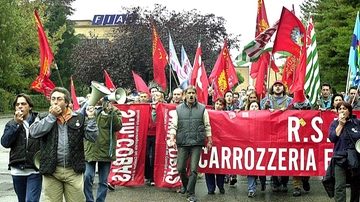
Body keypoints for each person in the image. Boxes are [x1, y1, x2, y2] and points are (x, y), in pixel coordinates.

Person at [29, 87, 99, 202]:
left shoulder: (78, 118)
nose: (55, 102)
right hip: (51, 171)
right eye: (53, 99)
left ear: (67, 102)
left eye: (59, 99)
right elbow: (34, 132)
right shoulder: (43, 117)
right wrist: (51, 117)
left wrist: (91, 118)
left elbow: (93, 137)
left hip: (73, 171)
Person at [169, 85, 212, 202]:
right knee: (180, 168)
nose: (191, 95)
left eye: (193, 93)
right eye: (189, 93)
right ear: (185, 95)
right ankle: (186, 185)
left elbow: (207, 126)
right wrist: (172, 139)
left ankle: (190, 193)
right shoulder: (178, 109)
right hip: (183, 142)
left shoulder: (203, 109)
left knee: (193, 169)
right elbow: (173, 126)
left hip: (197, 143)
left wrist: (210, 141)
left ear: (196, 95)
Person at [1, 94, 42, 202]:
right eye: (17, 104)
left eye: (23, 104)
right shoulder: (11, 124)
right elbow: (5, 143)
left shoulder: (39, 122)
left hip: (34, 170)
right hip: (17, 170)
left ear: (30, 106)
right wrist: (16, 124)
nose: (20, 106)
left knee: (31, 200)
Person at [84, 99, 122, 202]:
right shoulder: (85, 108)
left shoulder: (114, 110)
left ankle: (100, 200)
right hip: (89, 148)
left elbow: (117, 126)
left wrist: (111, 112)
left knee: (103, 181)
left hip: (105, 149)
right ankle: (89, 200)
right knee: (87, 176)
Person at [260, 80, 292, 192]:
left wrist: (287, 110)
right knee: (273, 158)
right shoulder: (266, 100)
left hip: (286, 133)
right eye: (276, 86)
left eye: (280, 86)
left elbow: (296, 113)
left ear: (283, 88)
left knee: (285, 158)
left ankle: (284, 182)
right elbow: (259, 115)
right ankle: (275, 182)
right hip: (271, 134)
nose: (278, 88)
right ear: (272, 88)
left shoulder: (290, 101)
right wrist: (266, 108)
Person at [329, 101, 360, 202]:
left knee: (355, 186)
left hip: (355, 159)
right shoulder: (334, 124)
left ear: (349, 111)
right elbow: (332, 138)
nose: (342, 111)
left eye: (344, 108)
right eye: (340, 109)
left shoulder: (357, 122)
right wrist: (340, 125)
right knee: (339, 186)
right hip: (340, 158)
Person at [289, 96, 312, 197]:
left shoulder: (309, 108)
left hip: (308, 140)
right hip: (294, 141)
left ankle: (306, 179)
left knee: (307, 163)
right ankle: (297, 186)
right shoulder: (291, 108)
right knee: (296, 163)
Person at [205, 97, 226, 195]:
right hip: (210, 142)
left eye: (221, 104)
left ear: (223, 106)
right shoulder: (208, 114)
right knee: (209, 165)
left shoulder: (227, 115)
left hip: (222, 144)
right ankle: (210, 187)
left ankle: (220, 185)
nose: (218, 106)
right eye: (217, 103)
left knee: (220, 166)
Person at [245, 100, 266, 198]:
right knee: (251, 168)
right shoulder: (243, 118)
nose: (254, 108)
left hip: (261, 146)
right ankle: (251, 189)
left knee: (261, 168)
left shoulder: (264, 118)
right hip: (249, 147)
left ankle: (262, 182)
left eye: (256, 106)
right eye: (252, 106)